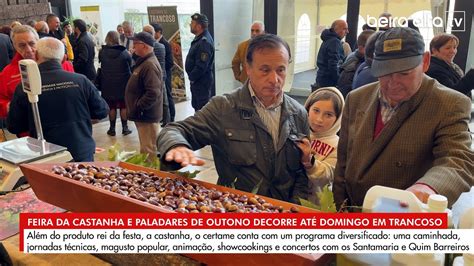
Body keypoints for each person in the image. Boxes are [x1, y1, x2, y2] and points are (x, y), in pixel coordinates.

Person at [158, 34, 309, 203]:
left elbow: (301, 175)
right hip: (236, 209)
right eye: (265, 70)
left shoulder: (298, 113)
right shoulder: (224, 107)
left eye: (280, 70)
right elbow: (174, 130)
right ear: (248, 68)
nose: (274, 79)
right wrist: (176, 145)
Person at [334, 27, 473, 209]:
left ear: (424, 61)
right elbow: (343, 161)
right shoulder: (357, 98)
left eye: (404, 73)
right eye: (385, 72)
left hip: (403, 217)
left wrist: (427, 187)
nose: (393, 82)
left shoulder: (449, 104)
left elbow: (458, 159)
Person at [7, 37, 108, 162]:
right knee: (80, 181)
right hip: (80, 152)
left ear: (36, 55)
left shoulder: (25, 87)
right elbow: (102, 111)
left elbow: (14, 126)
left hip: (45, 156)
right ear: (65, 58)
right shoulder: (81, 81)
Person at [0, 25, 73, 119]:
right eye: (22, 45)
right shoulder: (8, 73)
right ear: (14, 46)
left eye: (32, 43)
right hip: (28, 127)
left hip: (63, 121)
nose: (28, 50)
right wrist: (10, 106)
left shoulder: (62, 64)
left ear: (38, 42)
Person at [296, 87, 344, 205]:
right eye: (316, 110)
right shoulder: (297, 132)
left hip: (315, 205)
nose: (319, 119)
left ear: (337, 119)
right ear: (307, 109)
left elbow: (328, 176)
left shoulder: (338, 144)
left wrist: (310, 162)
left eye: (328, 115)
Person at [125, 32, 163, 159]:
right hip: (143, 115)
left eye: (136, 44)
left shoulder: (149, 65)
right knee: (146, 149)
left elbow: (153, 92)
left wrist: (138, 107)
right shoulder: (143, 62)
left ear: (145, 46)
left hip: (147, 115)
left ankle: (153, 176)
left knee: (149, 150)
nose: (133, 46)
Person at [98, 31, 133, 136]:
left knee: (111, 106)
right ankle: (125, 128)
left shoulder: (102, 52)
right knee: (123, 106)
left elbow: (100, 63)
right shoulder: (124, 52)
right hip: (123, 83)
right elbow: (130, 64)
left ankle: (112, 129)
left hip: (107, 83)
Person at [426, 33, 473, 99]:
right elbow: (452, 94)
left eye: (454, 47)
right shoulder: (434, 70)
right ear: (434, 50)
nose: (453, 51)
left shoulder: (449, 66)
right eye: (448, 48)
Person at [185, 13, 215, 111]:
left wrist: (192, 77)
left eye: (192, 23)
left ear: (198, 26)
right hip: (198, 81)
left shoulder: (204, 42)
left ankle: (202, 127)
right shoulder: (200, 38)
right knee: (197, 107)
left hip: (201, 81)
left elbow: (201, 66)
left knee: (202, 109)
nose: (190, 25)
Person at [143, 25, 170, 125]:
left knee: (152, 99)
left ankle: (155, 119)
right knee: (164, 100)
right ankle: (167, 121)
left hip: (151, 77)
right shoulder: (161, 46)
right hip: (162, 76)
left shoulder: (148, 49)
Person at [337, 30, 374, 98]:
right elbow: (345, 91)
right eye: (373, 46)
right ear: (361, 47)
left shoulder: (359, 60)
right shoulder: (353, 65)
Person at [314, 19, 348, 91]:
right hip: (329, 81)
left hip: (322, 78)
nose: (347, 32)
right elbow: (333, 64)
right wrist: (338, 80)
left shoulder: (328, 39)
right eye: (345, 29)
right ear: (336, 29)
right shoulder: (335, 42)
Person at [151, 22, 175, 123]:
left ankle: (171, 118)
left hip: (165, 74)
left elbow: (170, 62)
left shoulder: (165, 44)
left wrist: (161, 69)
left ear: (158, 32)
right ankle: (164, 118)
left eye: (153, 32)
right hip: (157, 75)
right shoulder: (152, 43)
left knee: (168, 96)